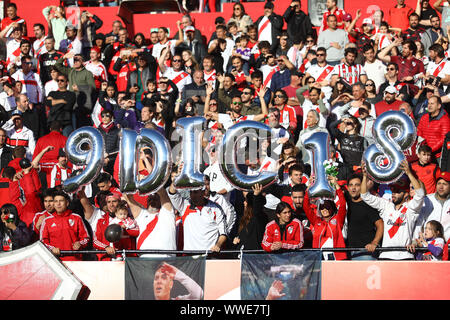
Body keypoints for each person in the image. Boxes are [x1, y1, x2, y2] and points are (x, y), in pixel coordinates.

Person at [360, 159, 425, 260]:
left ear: (406, 194)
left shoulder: (411, 208)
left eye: (397, 190)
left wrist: (409, 173)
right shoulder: (386, 205)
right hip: (386, 256)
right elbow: (364, 195)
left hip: (405, 257)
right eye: (392, 189)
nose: (393, 192)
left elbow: (420, 194)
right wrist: (364, 176)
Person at [167, 165, 228, 252]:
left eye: (195, 192)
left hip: (209, 257)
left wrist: (217, 245)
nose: (192, 195)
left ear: (203, 192)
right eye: (191, 192)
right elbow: (172, 193)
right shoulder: (184, 206)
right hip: (190, 257)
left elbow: (223, 232)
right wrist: (179, 178)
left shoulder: (216, 208)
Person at [40, 190, 90, 261]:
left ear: (67, 203)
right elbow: (43, 241)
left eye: (61, 201)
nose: (58, 204)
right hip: (55, 260)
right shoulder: (47, 221)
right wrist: (52, 248)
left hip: (75, 260)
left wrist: (80, 244)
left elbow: (86, 238)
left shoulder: (76, 218)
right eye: (56, 201)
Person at [345, 173, 384, 260]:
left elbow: (380, 224)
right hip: (349, 251)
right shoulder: (346, 202)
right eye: (351, 185)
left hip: (366, 251)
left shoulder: (368, 204)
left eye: (357, 185)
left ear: (362, 187)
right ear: (347, 188)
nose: (353, 188)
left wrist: (374, 243)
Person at [416, 95, 450, 162]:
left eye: (432, 104)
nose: (429, 106)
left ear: (439, 106)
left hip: (438, 156)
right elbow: (419, 132)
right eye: (428, 103)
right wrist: (421, 148)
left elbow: (444, 138)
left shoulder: (445, 119)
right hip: (424, 153)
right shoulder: (424, 117)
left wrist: (430, 149)